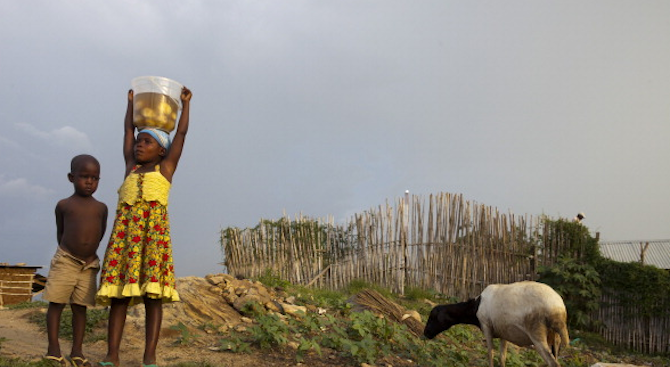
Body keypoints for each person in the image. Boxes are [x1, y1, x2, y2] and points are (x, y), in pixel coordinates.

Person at [96, 86, 192, 367]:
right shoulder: (131, 168)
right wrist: (130, 105)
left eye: (147, 142)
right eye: (139, 141)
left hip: (153, 241)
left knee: (153, 297)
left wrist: (186, 106)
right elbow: (127, 132)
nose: (139, 145)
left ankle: (149, 357)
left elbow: (182, 135)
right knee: (118, 298)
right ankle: (111, 355)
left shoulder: (166, 169)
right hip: (124, 240)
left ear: (162, 150)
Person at [43, 154, 109, 367]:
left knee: (80, 307)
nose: (90, 182)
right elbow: (61, 232)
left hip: (89, 265)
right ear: (71, 177)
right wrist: (71, 252)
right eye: (84, 176)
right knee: (57, 303)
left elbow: (100, 233)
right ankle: (53, 350)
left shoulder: (101, 208)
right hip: (66, 261)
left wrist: (87, 251)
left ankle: (77, 352)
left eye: (95, 178)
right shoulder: (63, 205)